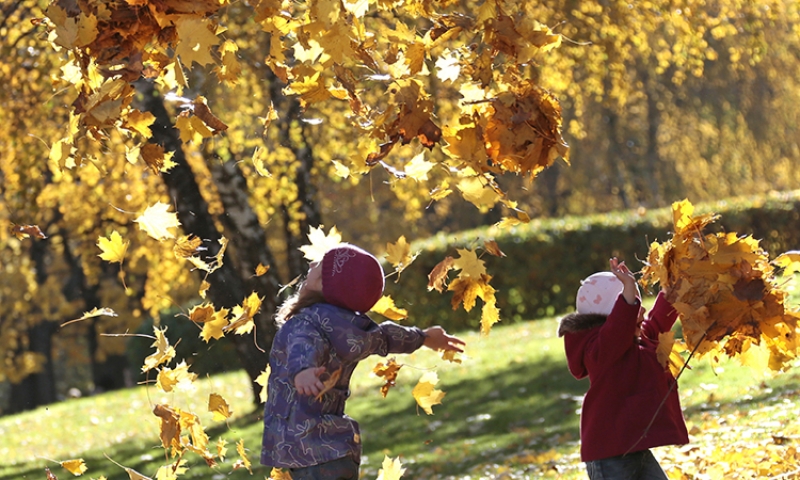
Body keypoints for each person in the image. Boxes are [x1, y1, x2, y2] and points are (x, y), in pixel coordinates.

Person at [260, 243, 466, 479]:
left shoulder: (305, 324)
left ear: (323, 284)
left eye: (320, 265)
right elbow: (387, 336)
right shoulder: (354, 330)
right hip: (336, 447)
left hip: (308, 448)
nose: (312, 263)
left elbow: (303, 344)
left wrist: (302, 370)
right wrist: (425, 337)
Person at [557, 257, 689, 480]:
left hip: (635, 446)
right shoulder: (601, 351)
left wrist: (675, 288)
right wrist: (627, 290)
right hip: (608, 452)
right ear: (612, 316)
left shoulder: (636, 341)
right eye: (633, 303)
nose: (641, 308)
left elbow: (656, 322)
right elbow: (616, 331)